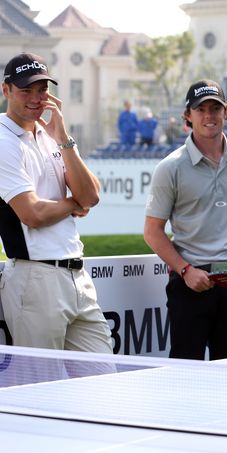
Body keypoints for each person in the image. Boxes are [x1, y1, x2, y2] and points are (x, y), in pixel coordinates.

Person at [144, 79, 227, 361]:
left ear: (226, 112)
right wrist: (185, 271)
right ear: (188, 116)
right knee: (185, 375)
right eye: (201, 109)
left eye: (215, 109)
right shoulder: (170, 168)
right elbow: (153, 232)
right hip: (191, 283)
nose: (209, 116)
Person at [0, 53, 112, 353]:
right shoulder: (2, 140)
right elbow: (33, 213)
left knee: (104, 381)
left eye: (42, 90)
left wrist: (63, 136)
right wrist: (72, 203)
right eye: (26, 90)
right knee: (39, 387)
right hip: (34, 277)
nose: (36, 98)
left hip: (77, 275)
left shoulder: (51, 135)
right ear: (6, 90)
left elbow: (91, 196)